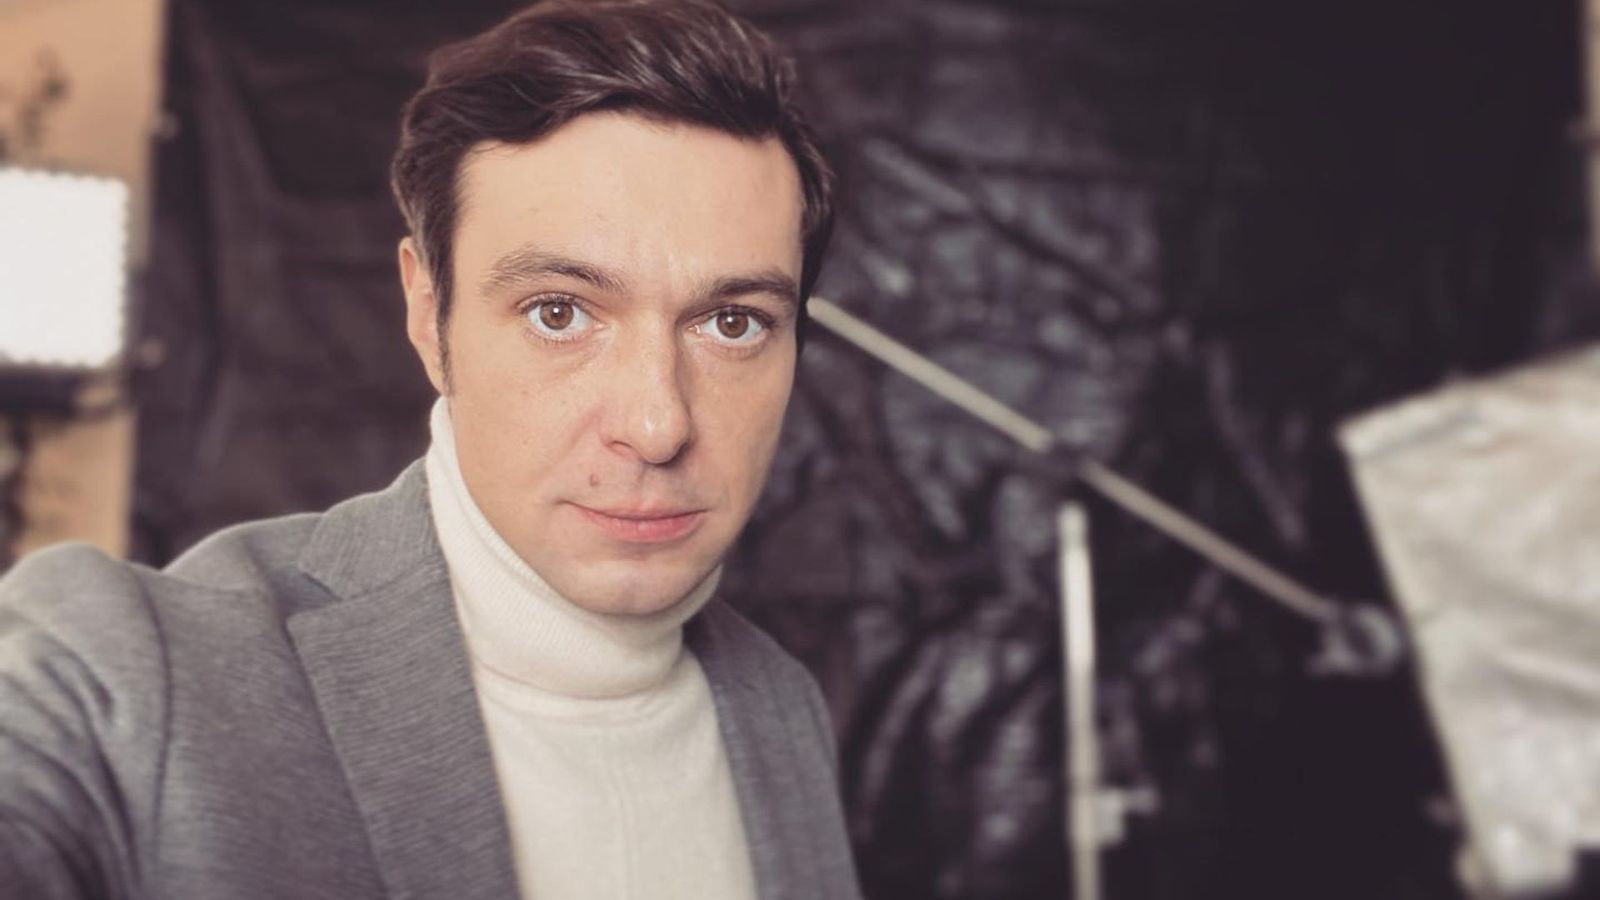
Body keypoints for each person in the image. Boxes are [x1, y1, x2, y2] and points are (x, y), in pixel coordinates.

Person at [0, 1, 860, 897]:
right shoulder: (126, 670)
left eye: (733, 323)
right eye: (558, 312)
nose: (658, 425)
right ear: (427, 313)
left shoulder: (782, 708)